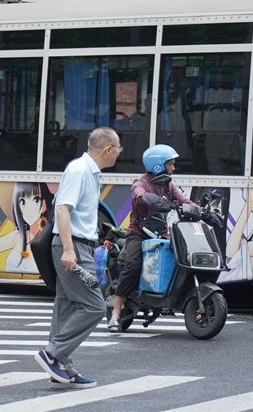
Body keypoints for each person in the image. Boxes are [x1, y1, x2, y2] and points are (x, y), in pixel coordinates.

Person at [34, 127, 123, 389]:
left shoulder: (90, 172)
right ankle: (52, 354)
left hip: (79, 244)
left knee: (66, 305)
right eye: (119, 147)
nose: (120, 153)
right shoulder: (79, 170)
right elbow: (62, 208)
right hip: (72, 246)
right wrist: (69, 249)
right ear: (108, 149)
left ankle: (60, 367)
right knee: (95, 307)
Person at [107, 144, 197, 332]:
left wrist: (200, 210)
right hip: (138, 234)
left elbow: (183, 200)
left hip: (161, 234)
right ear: (158, 165)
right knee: (132, 266)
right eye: (170, 164)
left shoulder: (168, 184)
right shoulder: (140, 183)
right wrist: (157, 201)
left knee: (180, 258)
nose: (173, 167)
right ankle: (116, 313)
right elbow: (139, 196)